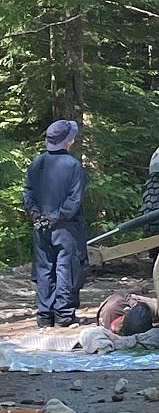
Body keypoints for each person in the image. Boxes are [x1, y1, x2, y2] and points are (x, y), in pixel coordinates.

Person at [23, 120, 87, 328]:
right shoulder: (74, 166)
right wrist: (57, 215)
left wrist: (35, 213)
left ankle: (44, 317)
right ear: (68, 142)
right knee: (65, 269)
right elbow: (74, 199)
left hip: (40, 225)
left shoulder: (36, 163)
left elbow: (28, 193)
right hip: (66, 227)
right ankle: (64, 317)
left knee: (44, 269)